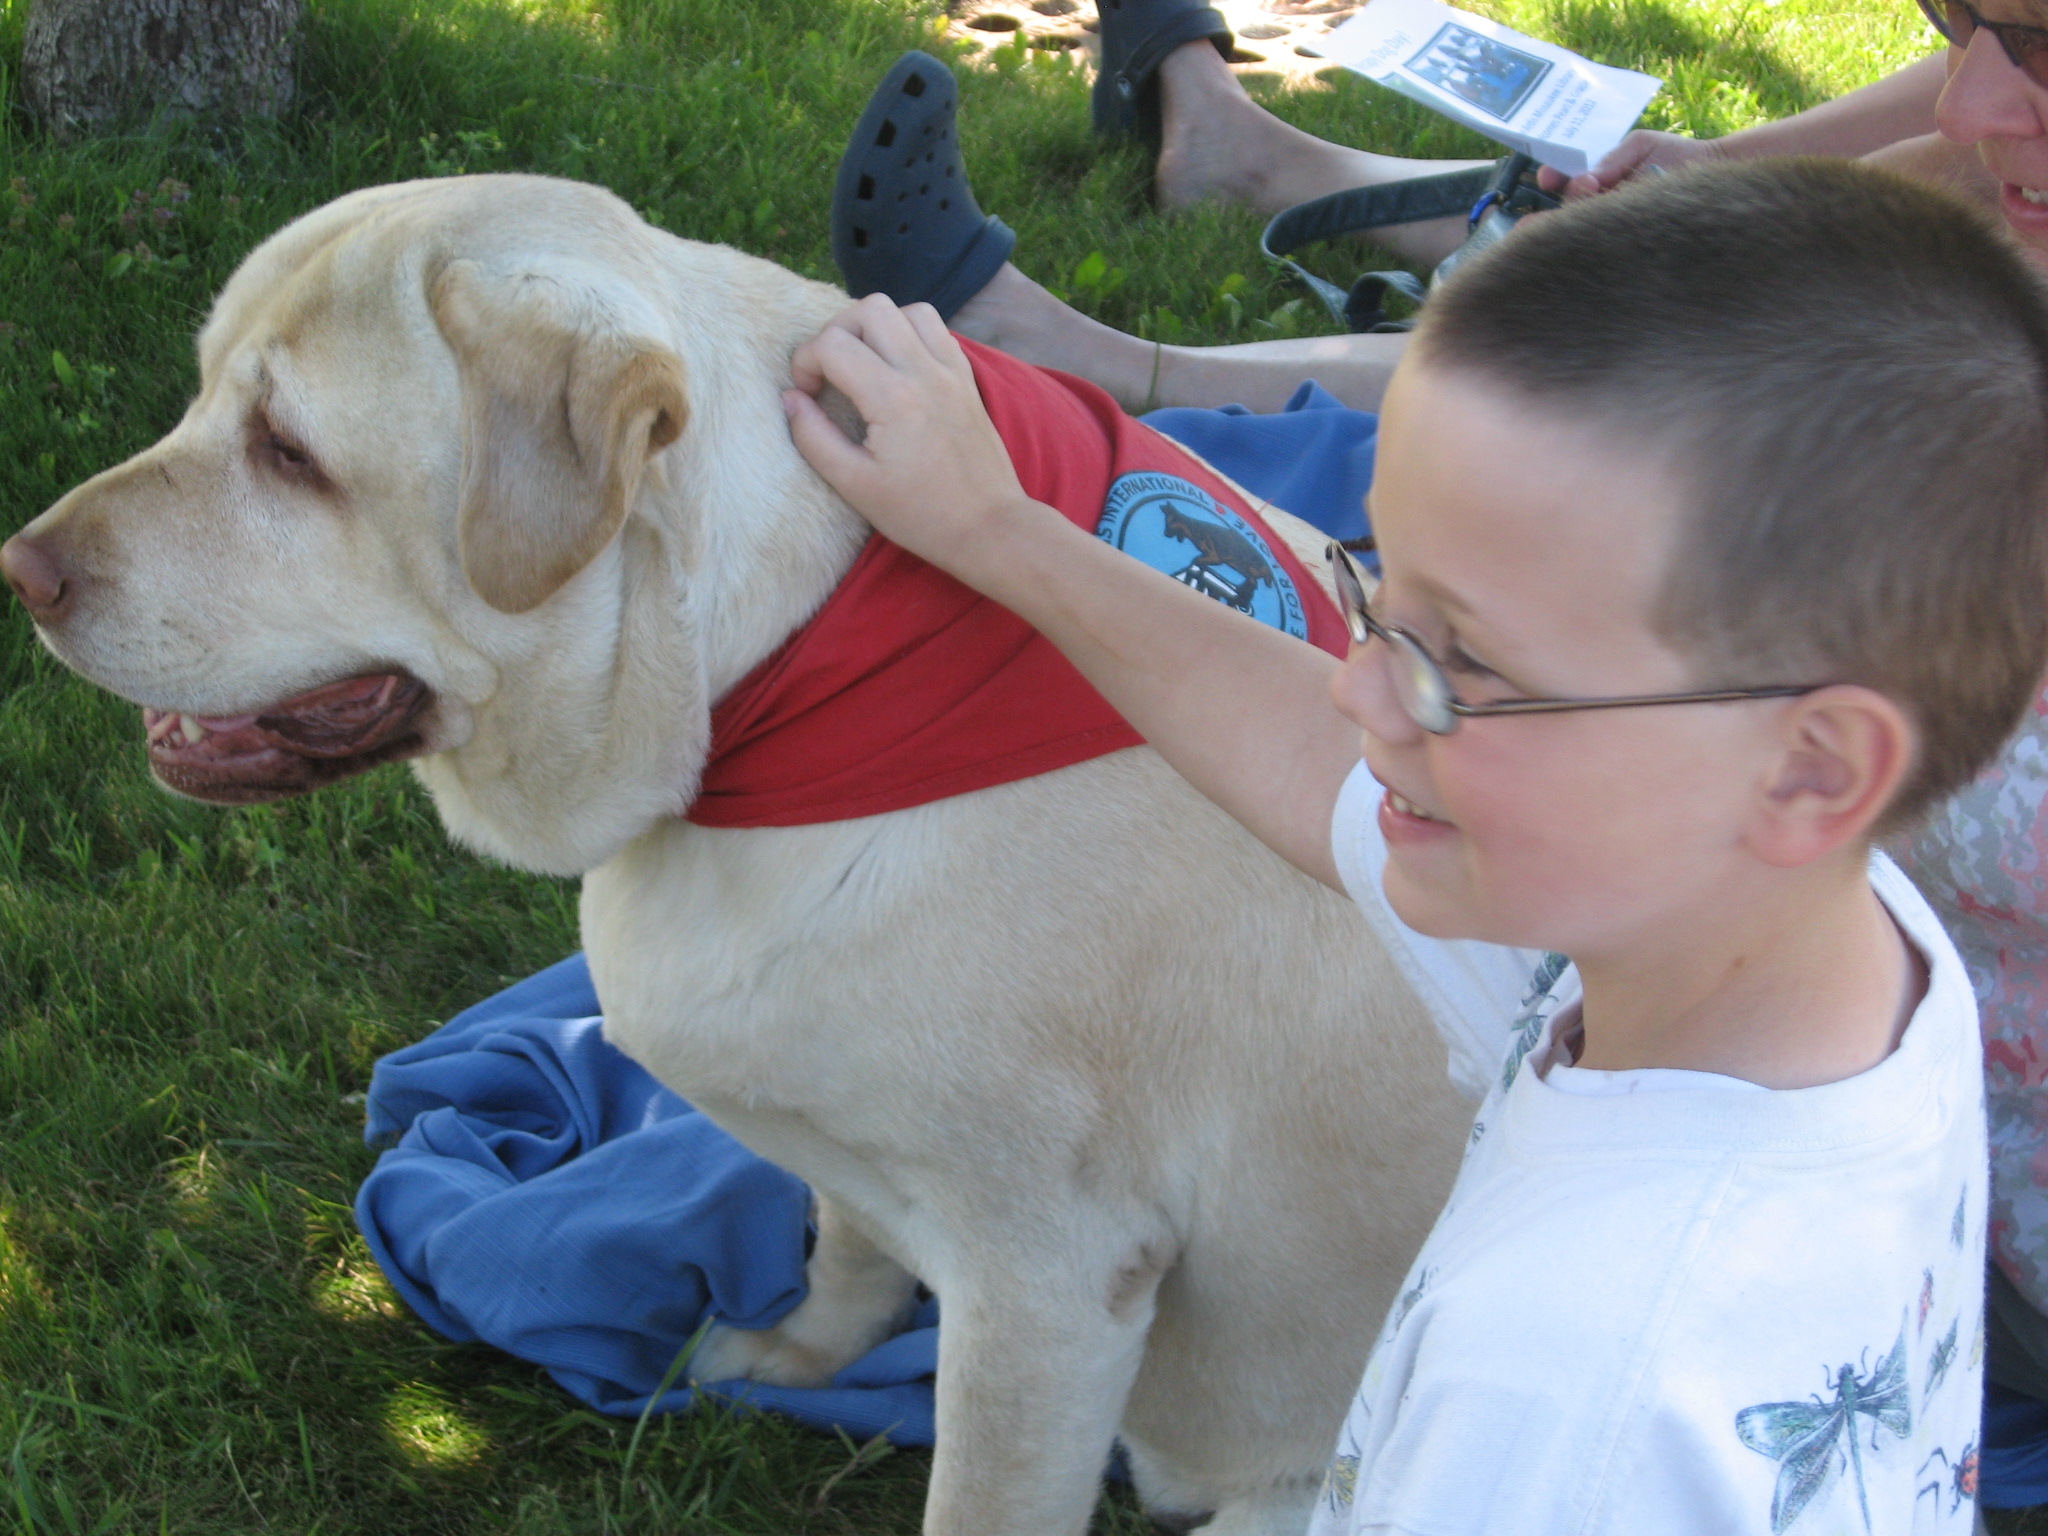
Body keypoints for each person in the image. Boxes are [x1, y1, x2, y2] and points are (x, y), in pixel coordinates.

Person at [785, 160, 2048, 1532]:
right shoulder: (1820, 955)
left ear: (1814, 766)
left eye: (1465, 667)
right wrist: (991, 528)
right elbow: (1299, 750)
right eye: (1384, 605)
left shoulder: (1562, 1399)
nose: (1360, 686)